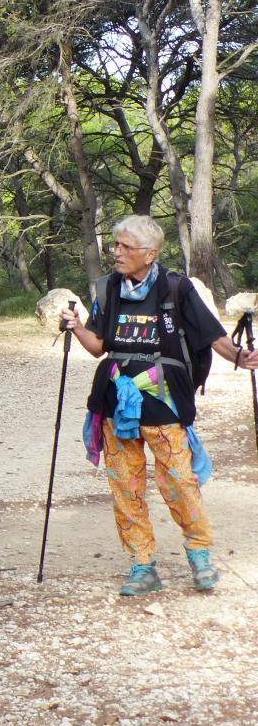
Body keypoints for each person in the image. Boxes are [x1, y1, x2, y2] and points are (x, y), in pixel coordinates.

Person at [60, 214, 258, 596]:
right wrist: (77, 327)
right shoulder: (108, 289)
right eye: (115, 245)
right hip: (117, 400)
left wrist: (239, 356)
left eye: (124, 247)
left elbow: (212, 336)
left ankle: (200, 555)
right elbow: (100, 347)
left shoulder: (176, 288)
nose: (116, 253)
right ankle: (142, 565)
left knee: (180, 483)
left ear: (149, 254)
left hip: (165, 402)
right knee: (125, 487)